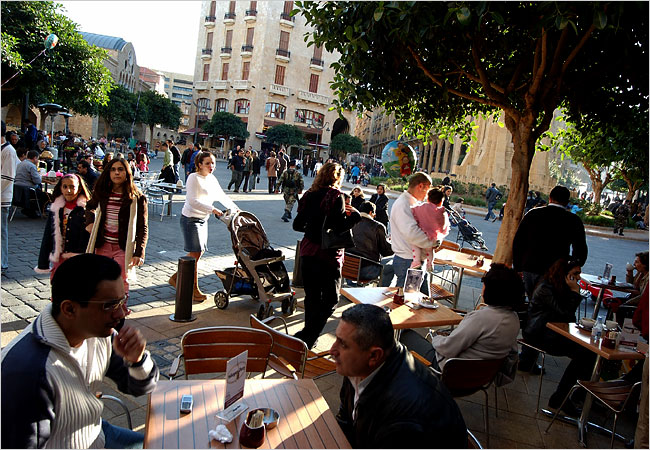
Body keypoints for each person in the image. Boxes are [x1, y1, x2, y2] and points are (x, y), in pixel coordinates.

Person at [1, 253, 159, 449]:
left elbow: (142, 387)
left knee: (164, 444)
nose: (121, 313)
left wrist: (136, 361)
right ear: (69, 309)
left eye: (122, 300)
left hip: (95, 432)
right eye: (109, 305)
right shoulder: (29, 372)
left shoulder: (100, 334)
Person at [332, 303, 467, 448]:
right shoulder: (358, 366)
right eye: (336, 338)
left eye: (343, 344)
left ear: (374, 356)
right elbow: (345, 420)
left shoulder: (405, 419)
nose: (332, 350)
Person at [401, 263, 523, 371]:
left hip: (449, 370)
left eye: (485, 284)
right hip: (480, 376)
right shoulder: (514, 319)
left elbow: (447, 348)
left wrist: (436, 338)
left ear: (493, 290)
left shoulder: (481, 318)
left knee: (403, 333)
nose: (483, 288)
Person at [292, 162, 361, 348]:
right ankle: (310, 336)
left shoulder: (309, 195)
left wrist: (313, 227)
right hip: (328, 255)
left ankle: (307, 334)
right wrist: (355, 217)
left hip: (308, 251)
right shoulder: (335, 196)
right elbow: (339, 227)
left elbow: (297, 225)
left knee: (312, 297)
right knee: (331, 299)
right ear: (337, 178)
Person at [523, 258, 596, 415]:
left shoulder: (559, 286)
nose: (578, 278)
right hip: (539, 334)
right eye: (575, 274)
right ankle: (561, 399)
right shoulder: (546, 288)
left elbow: (567, 319)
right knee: (584, 354)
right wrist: (575, 292)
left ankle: (578, 394)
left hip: (553, 333)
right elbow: (565, 314)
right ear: (564, 274)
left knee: (590, 353)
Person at [171, 151, 237, 301]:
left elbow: (221, 196)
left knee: (197, 253)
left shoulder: (212, 179)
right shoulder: (193, 178)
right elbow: (192, 200)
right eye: (207, 163)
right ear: (199, 165)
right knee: (195, 253)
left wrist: (236, 208)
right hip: (190, 219)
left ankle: (177, 278)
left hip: (203, 219)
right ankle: (193, 287)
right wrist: (212, 209)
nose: (211, 166)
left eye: (212, 163)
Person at [513, 185, 588, 300]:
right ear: (567, 202)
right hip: (555, 271)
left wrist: (518, 267)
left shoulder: (533, 214)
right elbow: (581, 250)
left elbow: (518, 242)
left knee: (533, 301)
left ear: (550, 198)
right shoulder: (573, 220)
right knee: (547, 305)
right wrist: (571, 267)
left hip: (530, 267)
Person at [85, 158, 148, 294]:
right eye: (113, 170)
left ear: (127, 172)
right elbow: (90, 206)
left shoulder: (137, 198)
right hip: (103, 244)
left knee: (120, 279)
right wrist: (90, 223)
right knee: (102, 279)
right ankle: (105, 310)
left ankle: (120, 310)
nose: (116, 173)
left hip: (123, 247)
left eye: (120, 169)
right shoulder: (103, 193)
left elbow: (143, 227)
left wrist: (139, 252)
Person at [380, 172, 437, 289]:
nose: (428, 194)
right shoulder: (404, 204)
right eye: (428, 189)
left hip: (412, 259)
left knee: (417, 298)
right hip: (408, 260)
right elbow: (412, 233)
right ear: (420, 186)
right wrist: (432, 242)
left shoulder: (410, 202)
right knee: (407, 299)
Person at [36, 174, 91, 277]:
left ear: (79, 189)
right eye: (65, 187)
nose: (68, 191)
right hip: (60, 254)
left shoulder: (86, 209)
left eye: (72, 187)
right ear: (60, 188)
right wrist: (42, 263)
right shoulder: (56, 208)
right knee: (58, 283)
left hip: (79, 257)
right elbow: (48, 235)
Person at [349, 201, 393, 280]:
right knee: (391, 267)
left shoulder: (350, 221)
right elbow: (386, 251)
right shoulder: (378, 227)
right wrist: (394, 243)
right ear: (370, 212)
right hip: (368, 270)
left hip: (348, 267)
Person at [410, 186, 450, 271]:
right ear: (440, 202)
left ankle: (416, 261)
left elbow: (413, 211)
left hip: (422, 235)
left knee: (414, 245)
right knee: (430, 251)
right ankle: (430, 264)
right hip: (434, 238)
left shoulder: (422, 207)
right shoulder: (441, 212)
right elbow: (443, 227)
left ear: (428, 198)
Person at [1, 122, 20, 274]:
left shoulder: (8, 151)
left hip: (2, 198)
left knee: (1, 232)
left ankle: (2, 263)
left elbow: (7, 177)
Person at [14, 149, 50, 218]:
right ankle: (34, 210)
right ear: (35, 158)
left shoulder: (20, 164)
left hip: (18, 188)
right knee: (47, 196)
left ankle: (30, 209)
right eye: (37, 158)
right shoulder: (31, 166)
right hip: (27, 189)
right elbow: (37, 180)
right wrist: (39, 176)